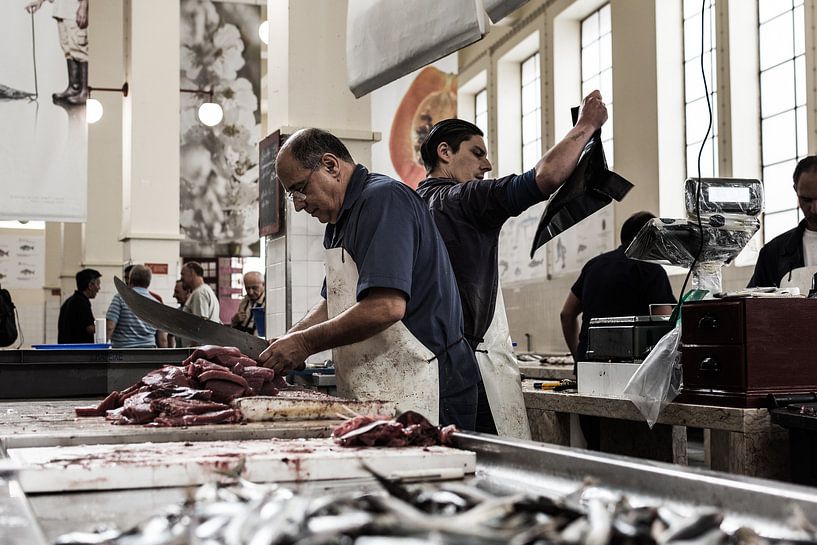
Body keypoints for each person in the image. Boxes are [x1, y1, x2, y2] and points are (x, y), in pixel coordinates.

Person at [415, 90, 609, 438]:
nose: (486, 166)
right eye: (477, 154)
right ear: (444, 152)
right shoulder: (465, 199)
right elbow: (544, 178)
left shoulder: (411, 207)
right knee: (481, 462)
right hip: (460, 366)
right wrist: (586, 125)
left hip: (423, 369)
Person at [258, 128, 480, 429]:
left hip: (430, 385)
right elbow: (332, 302)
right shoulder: (338, 221)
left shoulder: (383, 200)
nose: (298, 204)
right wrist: (290, 339)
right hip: (387, 388)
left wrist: (305, 343)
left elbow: (386, 306)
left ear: (331, 165)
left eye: (300, 189)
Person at [749, 156, 817, 288]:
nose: (815, 209)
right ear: (796, 190)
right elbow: (755, 304)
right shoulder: (772, 253)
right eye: (806, 200)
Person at [25, 0, 89, 106]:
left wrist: (83, 6)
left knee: (80, 50)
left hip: (74, 10)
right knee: (68, 49)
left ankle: (84, 92)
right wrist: (39, 1)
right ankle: (74, 87)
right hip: (61, 10)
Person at [106, 265, 168, 348]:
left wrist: (102, 349)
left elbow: (109, 327)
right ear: (148, 282)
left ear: (130, 279)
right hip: (149, 354)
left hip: (124, 353)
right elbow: (162, 339)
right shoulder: (156, 303)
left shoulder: (120, 298)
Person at [57, 268, 101, 343]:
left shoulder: (69, 301)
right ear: (90, 285)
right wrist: (106, 326)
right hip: (78, 351)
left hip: (67, 350)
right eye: (98, 284)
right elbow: (90, 328)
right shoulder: (81, 302)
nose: (99, 288)